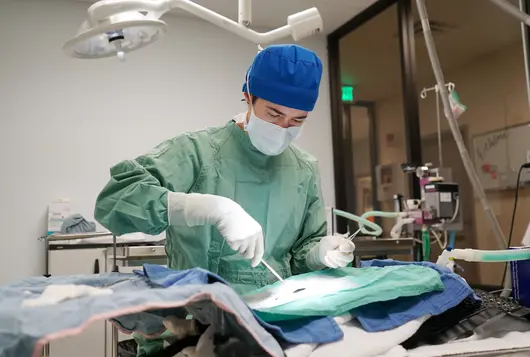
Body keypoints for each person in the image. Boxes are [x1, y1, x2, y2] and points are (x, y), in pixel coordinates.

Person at [94, 44, 356, 356]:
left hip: (271, 325)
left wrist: (321, 253)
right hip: (192, 327)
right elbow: (115, 200)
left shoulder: (305, 169)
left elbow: (299, 255)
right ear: (248, 97)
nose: (283, 128)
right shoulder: (198, 152)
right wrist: (204, 207)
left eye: (297, 120)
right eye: (274, 113)